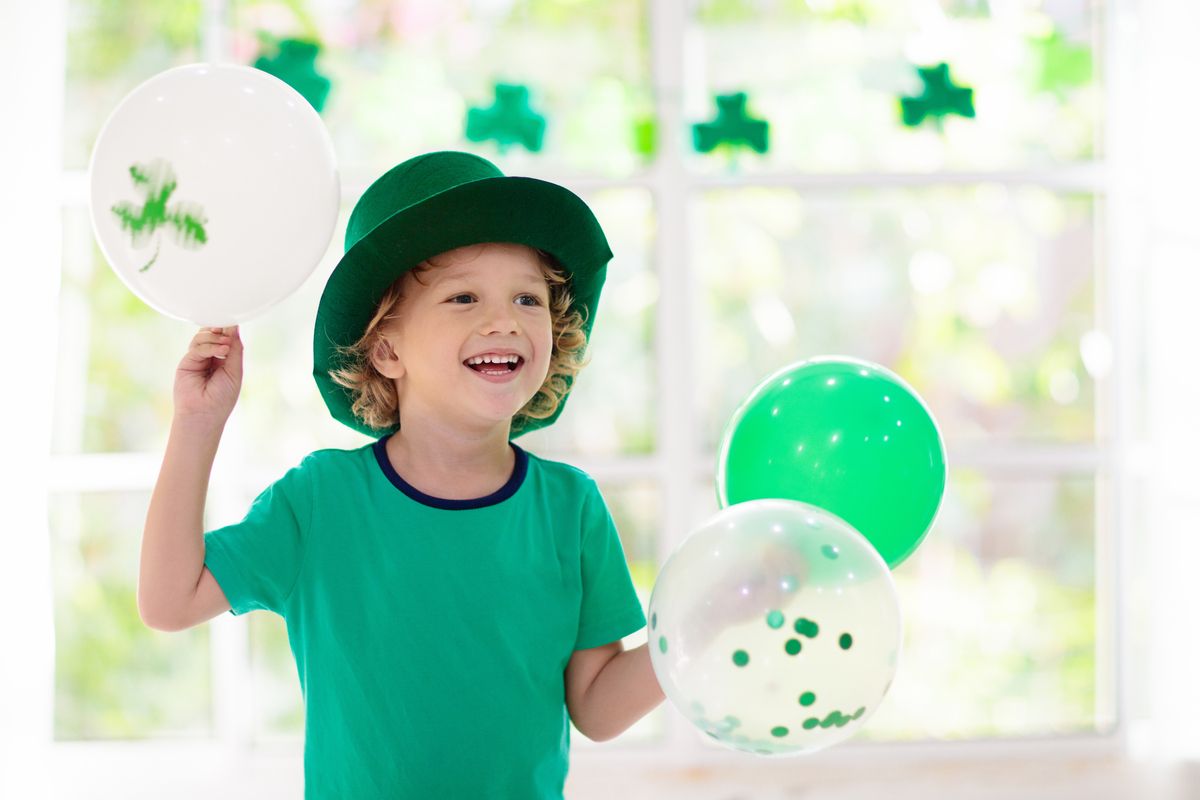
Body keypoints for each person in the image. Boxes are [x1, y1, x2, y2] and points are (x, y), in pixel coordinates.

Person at [138, 151, 666, 798]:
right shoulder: (319, 501)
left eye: (528, 297)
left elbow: (597, 707)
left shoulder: (571, 508)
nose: (504, 320)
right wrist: (198, 423)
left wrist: (696, 640)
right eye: (463, 296)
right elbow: (169, 601)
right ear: (386, 350)